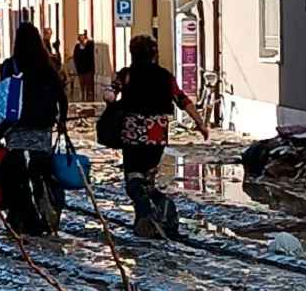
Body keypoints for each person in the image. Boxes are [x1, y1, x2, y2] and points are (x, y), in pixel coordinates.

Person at [107, 35, 210, 238]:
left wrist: (110, 98)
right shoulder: (164, 76)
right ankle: (146, 221)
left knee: (133, 181)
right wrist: (200, 123)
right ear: (154, 54)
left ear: (132, 53)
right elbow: (182, 99)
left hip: (133, 136)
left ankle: (150, 212)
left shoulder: (127, 74)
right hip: (157, 136)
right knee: (147, 180)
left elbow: (110, 93)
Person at [0, 22, 69, 236]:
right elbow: (62, 98)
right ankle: (47, 209)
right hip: (43, 128)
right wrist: (62, 121)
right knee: (42, 171)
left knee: (15, 175)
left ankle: (21, 217)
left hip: (16, 127)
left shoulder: (11, 66)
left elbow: (3, 99)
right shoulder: (48, 67)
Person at [73, 31, 96, 99]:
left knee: (88, 84)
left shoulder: (89, 45)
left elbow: (90, 55)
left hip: (88, 68)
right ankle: (83, 96)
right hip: (80, 68)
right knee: (82, 84)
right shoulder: (77, 46)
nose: (81, 38)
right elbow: (75, 57)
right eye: (80, 36)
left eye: (83, 36)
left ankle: (89, 96)